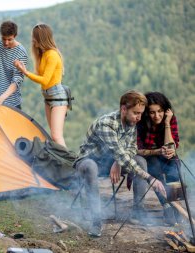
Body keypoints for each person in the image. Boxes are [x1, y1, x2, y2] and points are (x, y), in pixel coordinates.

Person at [74, 90, 167, 237]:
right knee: (90, 166)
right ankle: (96, 220)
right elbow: (120, 152)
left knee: (140, 160)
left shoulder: (131, 123)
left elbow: (132, 148)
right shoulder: (107, 124)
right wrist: (149, 178)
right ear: (124, 109)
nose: (139, 117)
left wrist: (117, 162)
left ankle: (138, 211)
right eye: (136, 113)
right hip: (88, 161)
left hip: (110, 160)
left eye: (141, 113)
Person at [14, 23, 68, 148]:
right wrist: (24, 68)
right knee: (53, 136)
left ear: (42, 38)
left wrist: (25, 72)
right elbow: (42, 77)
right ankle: (61, 163)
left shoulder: (52, 55)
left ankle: (71, 164)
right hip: (48, 97)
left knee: (57, 136)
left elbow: (45, 80)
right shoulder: (43, 54)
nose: (33, 40)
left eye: (35, 37)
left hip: (58, 98)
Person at [137, 91, 180, 225]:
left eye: (160, 111)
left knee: (175, 164)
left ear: (165, 110)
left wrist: (167, 123)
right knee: (154, 166)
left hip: (164, 155)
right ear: (146, 113)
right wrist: (157, 151)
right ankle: (166, 205)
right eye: (152, 112)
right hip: (148, 156)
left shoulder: (169, 118)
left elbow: (172, 145)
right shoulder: (141, 122)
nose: (157, 116)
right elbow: (136, 150)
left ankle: (175, 204)